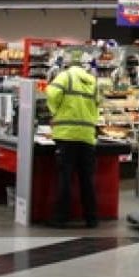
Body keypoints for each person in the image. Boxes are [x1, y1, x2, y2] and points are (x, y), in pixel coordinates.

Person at [45, 52, 101, 228]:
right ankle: (91, 218)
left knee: (65, 178)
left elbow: (51, 95)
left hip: (67, 135)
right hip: (87, 136)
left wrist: (55, 112)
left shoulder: (64, 77)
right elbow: (99, 102)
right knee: (87, 179)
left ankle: (61, 218)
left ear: (67, 65)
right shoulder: (92, 81)